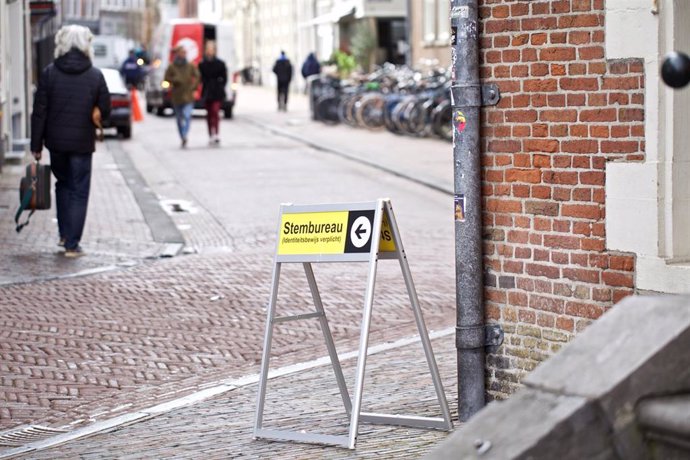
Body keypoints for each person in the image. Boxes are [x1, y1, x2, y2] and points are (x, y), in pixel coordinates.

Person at [30, 25, 111, 258]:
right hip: (82, 144)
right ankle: (72, 245)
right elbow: (106, 109)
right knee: (79, 190)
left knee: (62, 185)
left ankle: (64, 234)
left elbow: (39, 112)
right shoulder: (95, 75)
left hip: (56, 144)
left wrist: (36, 146)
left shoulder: (49, 73)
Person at [164, 45, 200, 148]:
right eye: (181, 52)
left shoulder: (190, 65)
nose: (183, 54)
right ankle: (182, 135)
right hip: (177, 95)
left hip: (188, 95)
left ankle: (185, 134)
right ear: (177, 54)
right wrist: (173, 81)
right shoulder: (172, 66)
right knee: (179, 118)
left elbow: (197, 76)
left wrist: (194, 87)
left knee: (187, 115)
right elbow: (166, 79)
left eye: (185, 52)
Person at [198, 41, 227, 145]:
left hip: (217, 91)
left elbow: (224, 78)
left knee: (215, 111)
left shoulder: (220, 63)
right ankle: (210, 133)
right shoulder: (202, 64)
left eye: (211, 49)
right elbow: (200, 78)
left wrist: (220, 85)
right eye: (208, 49)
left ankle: (216, 133)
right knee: (209, 114)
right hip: (207, 91)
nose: (209, 51)